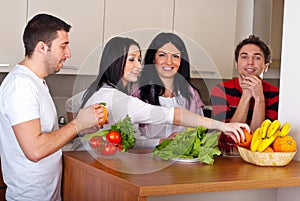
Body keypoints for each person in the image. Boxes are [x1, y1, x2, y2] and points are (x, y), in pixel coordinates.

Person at [0, 13, 105, 201]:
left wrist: (82, 127)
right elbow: (35, 150)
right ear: (42, 47)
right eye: (63, 46)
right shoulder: (20, 86)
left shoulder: (37, 82)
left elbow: (48, 139)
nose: (68, 53)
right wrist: (77, 125)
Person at [76, 36, 249, 149]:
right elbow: (172, 115)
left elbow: (133, 139)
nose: (138, 65)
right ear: (114, 62)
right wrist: (223, 126)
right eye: (131, 60)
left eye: (138, 59)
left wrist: (161, 142)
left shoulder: (106, 92)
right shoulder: (117, 98)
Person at [132, 32, 205, 147]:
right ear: (153, 59)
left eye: (175, 56)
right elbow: (131, 139)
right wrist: (161, 143)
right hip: (146, 160)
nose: (169, 62)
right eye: (162, 55)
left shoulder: (191, 94)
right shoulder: (138, 93)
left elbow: (199, 131)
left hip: (181, 161)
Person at [210, 35, 279, 131]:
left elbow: (261, 137)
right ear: (236, 64)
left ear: (266, 66)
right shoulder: (220, 90)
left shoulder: (276, 95)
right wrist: (246, 95)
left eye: (257, 58)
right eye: (244, 57)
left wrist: (259, 99)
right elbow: (228, 136)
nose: (250, 62)